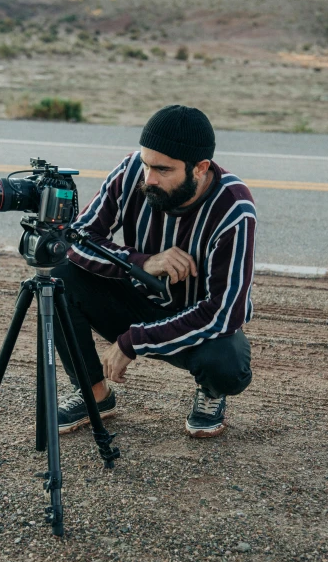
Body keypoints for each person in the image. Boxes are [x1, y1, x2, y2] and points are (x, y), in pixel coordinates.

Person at [53, 104, 256, 438]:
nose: (149, 179)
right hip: (138, 302)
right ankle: (95, 394)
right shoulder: (134, 170)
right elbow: (76, 239)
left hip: (196, 321)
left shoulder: (233, 208)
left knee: (226, 364)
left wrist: (135, 341)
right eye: (147, 163)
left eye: (163, 169)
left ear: (200, 168)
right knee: (60, 277)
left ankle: (212, 393)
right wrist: (142, 262)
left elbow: (224, 312)